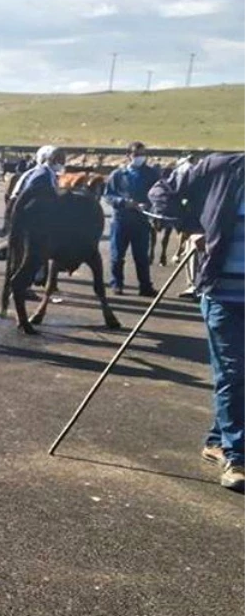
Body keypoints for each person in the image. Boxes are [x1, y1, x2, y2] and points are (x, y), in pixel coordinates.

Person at [149, 153, 245, 492]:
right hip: (223, 292)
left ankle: (218, 439)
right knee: (233, 372)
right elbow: (161, 191)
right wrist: (191, 227)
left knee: (238, 373)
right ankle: (237, 456)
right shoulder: (221, 167)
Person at [105, 141, 160, 297]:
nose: (140, 158)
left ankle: (145, 286)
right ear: (129, 155)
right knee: (117, 255)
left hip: (141, 220)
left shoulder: (151, 174)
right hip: (121, 219)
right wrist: (123, 202)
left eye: (142, 154)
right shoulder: (117, 174)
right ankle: (117, 284)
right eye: (136, 154)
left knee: (141, 255)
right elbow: (108, 195)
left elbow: (159, 193)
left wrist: (149, 205)